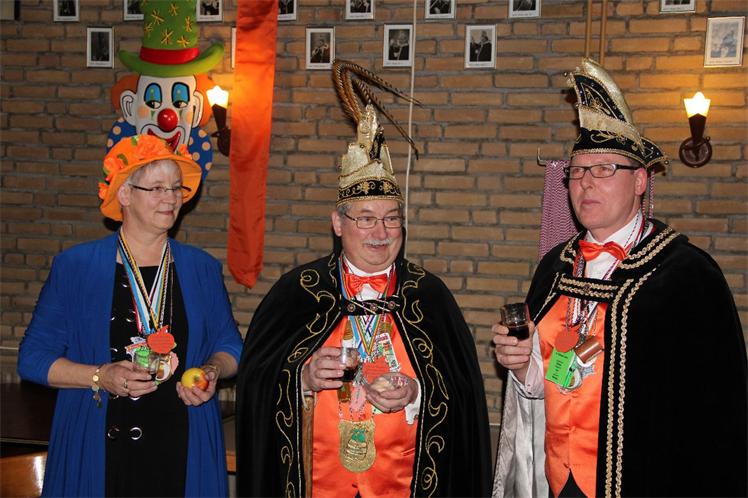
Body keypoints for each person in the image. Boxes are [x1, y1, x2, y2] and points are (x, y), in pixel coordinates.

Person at [492, 58, 747, 498]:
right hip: (558, 478)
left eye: (605, 169)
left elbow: (714, 414)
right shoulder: (555, 266)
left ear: (641, 181)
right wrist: (522, 365)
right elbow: (551, 379)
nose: (586, 183)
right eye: (577, 171)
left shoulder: (687, 276)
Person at [236, 64, 492, 497]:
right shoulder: (297, 292)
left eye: (392, 219)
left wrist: (417, 393)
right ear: (338, 223)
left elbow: (463, 396)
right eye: (366, 219)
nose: (381, 233)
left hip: (404, 484)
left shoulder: (429, 296)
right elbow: (256, 380)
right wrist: (301, 376)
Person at [17, 134, 243, 497]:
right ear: (124, 193)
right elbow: (32, 359)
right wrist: (99, 376)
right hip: (100, 444)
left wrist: (213, 369)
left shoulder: (201, 268)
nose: (171, 198)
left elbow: (230, 346)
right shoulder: (76, 266)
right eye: (157, 188)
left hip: (182, 444)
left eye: (176, 188)